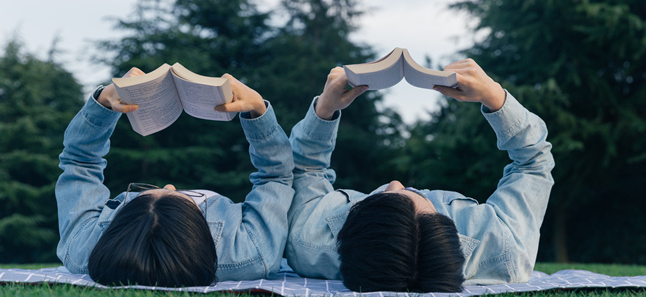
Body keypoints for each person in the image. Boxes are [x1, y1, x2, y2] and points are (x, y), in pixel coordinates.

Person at [285, 59, 555, 292]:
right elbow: (533, 163)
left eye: (381, 196)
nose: (396, 182)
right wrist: (495, 98)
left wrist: (324, 109)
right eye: (415, 196)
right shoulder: (504, 249)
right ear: (444, 226)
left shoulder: (308, 243)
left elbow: (305, 169)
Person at [56, 67, 294, 287]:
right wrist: (257, 111)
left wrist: (102, 104)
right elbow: (276, 177)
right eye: (182, 198)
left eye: (143, 193)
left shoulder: (84, 249)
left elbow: (79, 162)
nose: (171, 185)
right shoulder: (248, 255)